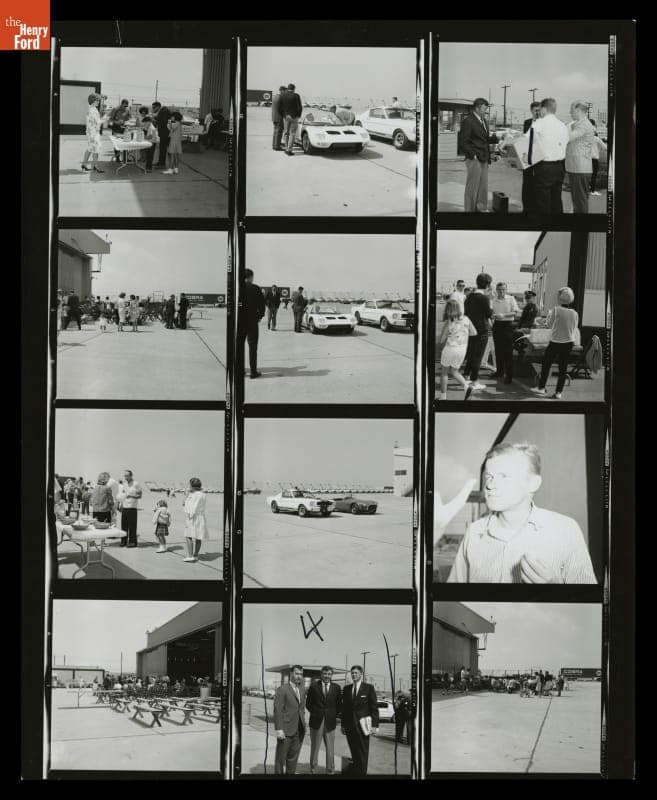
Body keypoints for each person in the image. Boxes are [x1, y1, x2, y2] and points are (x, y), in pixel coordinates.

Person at [447, 441, 597, 583]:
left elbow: (591, 601)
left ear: (533, 483)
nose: (490, 485)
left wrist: (555, 589)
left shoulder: (565, 530)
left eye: (504, 476)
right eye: (489, 476)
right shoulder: (474, 532)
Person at [531, 287, 579, 400]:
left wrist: (543, 321)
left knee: (546, 364)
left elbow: (549, 325)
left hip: (555, 341)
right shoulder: (574, 313)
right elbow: (574, 328)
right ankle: (558, 392)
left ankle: (541, 387)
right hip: (568, 343)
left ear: (560, 298)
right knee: (563, 368)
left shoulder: (556, 310)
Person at [530, 98, 569, 215]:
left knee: (543, 201)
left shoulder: (539, 123)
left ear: (544, 109)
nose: (539, 112)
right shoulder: (563, 125)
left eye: (540, 109)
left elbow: (528, 143)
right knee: (556, 198)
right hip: (559, 167)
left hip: (544, 167)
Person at [458, 98, 497, 213]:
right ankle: (469, 211)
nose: (485, 111)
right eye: (484, 109)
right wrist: (473, 155)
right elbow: (463, 142)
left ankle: (481, 208)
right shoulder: (468, 121)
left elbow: (483, 139)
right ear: (478, 107)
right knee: (472, 187)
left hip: (484, 158)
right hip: (474, 159)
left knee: (483, 186)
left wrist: (496, 139)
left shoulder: (483, 121)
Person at [341, 665, 379, 776]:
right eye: (352, 673)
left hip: (363, 727)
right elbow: (345, 709)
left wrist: (374, 725)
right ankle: (356, 772)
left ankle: (362, 774)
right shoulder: (347, 689)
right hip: (350, 727)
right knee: (354, 752)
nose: (353, 675)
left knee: (362, 753)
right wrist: (343, 725)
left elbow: (374, 708)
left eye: (356, 673)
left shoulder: (368, 688)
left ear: (361, 674)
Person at [437, 299, 476, 400]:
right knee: (454, 371)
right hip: (462, 350)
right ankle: (466, 386)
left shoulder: (449, 322)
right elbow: (474, 333)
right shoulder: (466, 319)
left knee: (444, 372)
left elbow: (441, 340)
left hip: (450, 349)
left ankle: (443, 396)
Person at [305, 665, 341, 775]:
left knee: (330, 748)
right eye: (325, 674)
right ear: (321, 674)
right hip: (316, 721)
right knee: (315, 747)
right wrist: (316, 713)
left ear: (332, 675)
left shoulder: (336, 687)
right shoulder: (314, 686)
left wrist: (331, 714)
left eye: (329, 674)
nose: (327, 676)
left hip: (330, 722)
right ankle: (313, 769)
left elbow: (339, 705)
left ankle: (330, 770)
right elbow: (308, 704)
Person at [463, 272, 493, 392]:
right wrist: (490, 300)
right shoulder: (484, 298)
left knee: (471, 353)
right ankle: (474, 381)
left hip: (470, 329)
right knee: (478, 356)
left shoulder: (469, 296)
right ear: (487, 284)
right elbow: (489, 314)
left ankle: (466, 375)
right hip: (482, 330)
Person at [274, 665, 306, 776]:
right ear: (291, 674)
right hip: (286, 730)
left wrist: (304, 723)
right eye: (297, 673)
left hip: (299, 729)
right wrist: (279, 729)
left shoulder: (301, 689)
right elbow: (278, 710)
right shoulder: (283, 689)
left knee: (293, 758)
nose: (299, 676)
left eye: (301, 674)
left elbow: (301, 709)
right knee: (280, 759)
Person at [566, 101, 595, 214]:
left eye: (571, 110)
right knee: (578, 201)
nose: (570, 112)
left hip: (580, 168)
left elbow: (569, 137)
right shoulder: (578, 124)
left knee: (580, 202)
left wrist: (567, 126)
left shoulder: (584, 124)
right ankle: (579, 227)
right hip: (577, 167)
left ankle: (581, 228)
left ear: (578, 110)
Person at [239, 269, 266, 378]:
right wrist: (260, 316)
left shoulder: (238, 288)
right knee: (253, 347)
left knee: (239, 347)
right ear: (250, 277)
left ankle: (240, 371)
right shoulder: (255, 288)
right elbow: (262, 305)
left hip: (240, 322)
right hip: (252, 322)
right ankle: (253, 372)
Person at [491, 282, 519, 384]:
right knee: (498, 350)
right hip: (497, 325)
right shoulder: (493, 300)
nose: (501, 291)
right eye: (499, 290)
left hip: (508, 326)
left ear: (506, 290)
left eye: (503, 289)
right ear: (496, 290)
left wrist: (503, 315)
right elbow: (490, 313)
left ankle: (509, 376)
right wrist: (493, 317)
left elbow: (515, 312)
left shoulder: (511, 299)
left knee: (508, 352)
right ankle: (499, 372)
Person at [521, 101, 541, 212]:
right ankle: (526, 208)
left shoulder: (544, 122)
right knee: (527, 183)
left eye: (539, 110)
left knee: (538, 183)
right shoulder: (527, 122)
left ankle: (536, 208)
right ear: (531, 111)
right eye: (535, 111)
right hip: (527, 156)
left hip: (540, 157)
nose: (537, 112)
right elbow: (526, 137)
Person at [183, 477, 208, 563]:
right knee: (198, 537)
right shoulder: (203, 494)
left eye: (189, 484)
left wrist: (190, 517)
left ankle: (190, 556)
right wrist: (187, 495)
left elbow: (192, 506)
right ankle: (195, 555)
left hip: (193, 516)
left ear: (192, 485)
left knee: (188, 536)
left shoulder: (195, 495)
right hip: (201, 517)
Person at [80, 93, 105, 173]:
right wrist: (105, 118)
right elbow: (98, 122)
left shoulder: (91, 109)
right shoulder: (93, 110)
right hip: (93, 133)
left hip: (91, 132)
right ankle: (95, 166)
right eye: (98, 100)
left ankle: (84, 164)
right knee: (95, 149)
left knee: (90, 149)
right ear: (94, 101)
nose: (99, 102)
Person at [118, 469, 142, 548]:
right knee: (123, 525)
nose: (126, 477)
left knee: (132, 526)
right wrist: (121, 504)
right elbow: (123, 495)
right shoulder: (124, 484)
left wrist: (131, 496)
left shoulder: (136, 484)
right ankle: (124, 541)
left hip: (132, 507)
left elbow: (140, 496)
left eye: (127, 476)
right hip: (125, 507)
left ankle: (132, 542)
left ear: (131, 476)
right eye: (125, 476)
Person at [280, 83, 303, 156]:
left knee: (286, 133)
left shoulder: (282, 95)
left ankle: (286, 148)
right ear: (294, 89)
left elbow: (279, 108)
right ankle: (289, 150)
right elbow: (300, 107)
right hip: (294, 117)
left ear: (288, 88)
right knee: (292, 134)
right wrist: (298, 116)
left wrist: (283, 115)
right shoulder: (296, 96)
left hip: (286, 117)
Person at [151, 101, 172, 168]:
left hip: (165, 133)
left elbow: (163, 121)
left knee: (163, 148)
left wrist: (155, 121)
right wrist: (155, 118)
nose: (153, 109)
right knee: (162, 148)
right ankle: (161, 162)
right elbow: (161, 119)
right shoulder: (162, 111)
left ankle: (162, 164)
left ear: (158, 106)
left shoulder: (164, 111)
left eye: (154, 107)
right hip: (164, 133)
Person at [590, 120, 604, 196]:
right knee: (594, 175)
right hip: (594, 159)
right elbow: (605, 147)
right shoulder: (596, 139)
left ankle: (587, 189)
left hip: (586, 159)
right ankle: (592, 191)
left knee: (587, 175)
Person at [272, 86, 287, 151]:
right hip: (279, 117)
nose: (286, 92)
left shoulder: (275, 96)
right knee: (279, 131)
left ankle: (274, 144)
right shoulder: (281, 97)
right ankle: (277, 146)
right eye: (285, 91)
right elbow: (281, 109)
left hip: (274, 116)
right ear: (282, 91)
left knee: (275, 131)